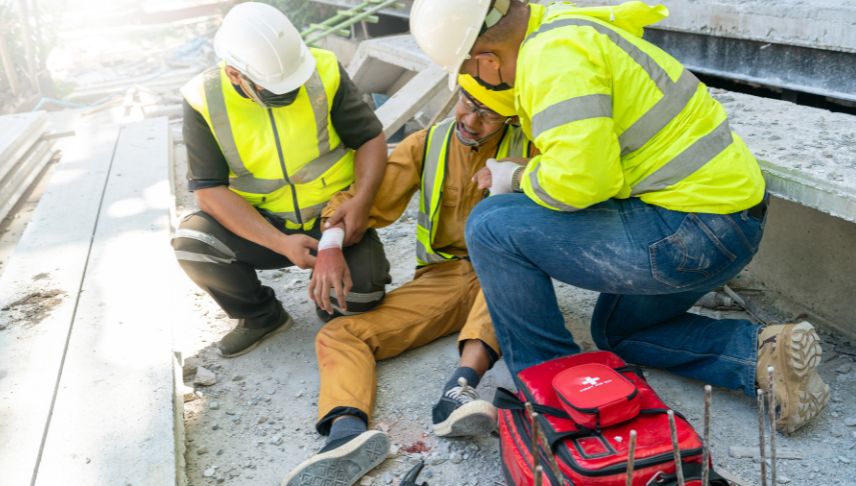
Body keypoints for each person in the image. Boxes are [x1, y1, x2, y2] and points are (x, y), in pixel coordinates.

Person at [410, 0, 828, 434]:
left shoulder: (552, 60)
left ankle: (554, 388)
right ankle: (761, 355)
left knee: (491, 225)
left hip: (691, 231)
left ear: (486, 60)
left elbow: (582, 184)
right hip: (727, 224)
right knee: (616, 331)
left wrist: (515, 176)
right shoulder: (563, 28)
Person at [282, 75, 534, 486]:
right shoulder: (426, 144)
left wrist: (518, 175)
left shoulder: (532, 149)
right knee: (340, 334)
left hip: (507, 269)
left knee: (509, 264)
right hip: (444, 277)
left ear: (509, 116)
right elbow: (366, 202)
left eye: (488, 114)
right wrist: (329, 243)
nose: (472, 119)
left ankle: (459, 391)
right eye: (467, 103)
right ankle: (346, 434)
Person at [172, 2, 391, 357]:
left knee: (359, 298)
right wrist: (280, 243)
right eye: (276, 91)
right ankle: (261, 317)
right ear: (234, 74)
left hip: (332, 219)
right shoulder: (202, 99)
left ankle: (330, 296)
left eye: (293, 84)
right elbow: (209, 191)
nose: (288, 95)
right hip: (262, 226)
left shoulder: (323, 70)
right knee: (193, 241)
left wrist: (361, 202)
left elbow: (370, 139)